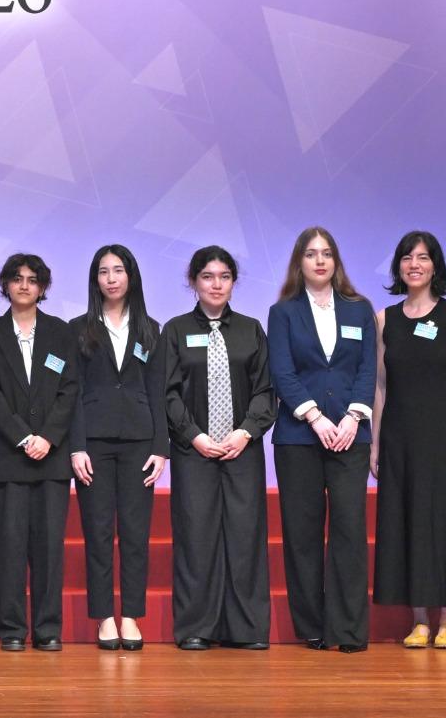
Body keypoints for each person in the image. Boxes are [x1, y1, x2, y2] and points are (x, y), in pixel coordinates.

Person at [267, 227, 378, 653]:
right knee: (302, 533)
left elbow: (367, 368)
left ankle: (348, 630)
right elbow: (282, 371)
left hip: (351, 435)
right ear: (300, 261)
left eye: (326, 253)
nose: (319, 261)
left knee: (349, 531)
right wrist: (314, 417)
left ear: (336, 261)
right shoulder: (283, 312)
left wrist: (353, 417)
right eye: (311, 254)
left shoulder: (359, 309)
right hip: (299, 437)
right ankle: (312, 626)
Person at [372, 231, 446, 650]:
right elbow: (381, 386)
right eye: (407, 258)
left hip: (444, 436)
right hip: (399, 438)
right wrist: (376, 443)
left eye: (422, 257)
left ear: (436, 266)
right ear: (398, 266)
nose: (414, 265)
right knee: (407, 522)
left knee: (445, 523)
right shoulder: (385, 319)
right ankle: (418, 619)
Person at [160, 245, 273, 651]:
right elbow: (168, 393)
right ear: (193, 281)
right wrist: (195, 435)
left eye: (224, 276)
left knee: (246, 537)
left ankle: (247, 629)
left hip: (243, 448)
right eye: (207, 276)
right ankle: (196, 627)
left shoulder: (251, 329)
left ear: (234, 282)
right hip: (194, 450)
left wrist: (245, 432)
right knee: (196, 536)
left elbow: (265, 391)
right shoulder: (175, 330)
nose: (216, 284)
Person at [0, 253, 80, 652]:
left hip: (52, 458)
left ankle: (48, 628)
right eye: (17, 278)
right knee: (9, 547)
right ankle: (11, 630)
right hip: (8, 457)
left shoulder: (61, 332)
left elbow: (70, 388)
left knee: (50, 548)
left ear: (42, 287)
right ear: (5, 285)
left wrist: (48, 438)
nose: (24, 285)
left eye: (32, 279)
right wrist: (23, 437)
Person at [68, 245, 166, 652]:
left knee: (135, 534)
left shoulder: (151, 328)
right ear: (95, 279)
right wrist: (76, 446)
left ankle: (131, 616)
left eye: (118, 270)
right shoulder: (78, 328)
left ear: (131, 276)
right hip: (93, 441)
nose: (111, 278)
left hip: (140, 442)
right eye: (104, 271)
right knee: (98, 532)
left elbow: (158, 391)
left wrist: (161, 447)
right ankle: (104, 617)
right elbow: (71, 393)